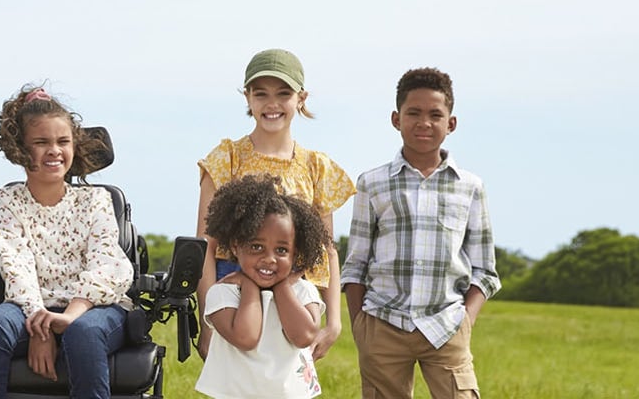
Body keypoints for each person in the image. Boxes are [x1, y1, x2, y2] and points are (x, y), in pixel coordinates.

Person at [341, 67, 500, 399]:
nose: (424, 123)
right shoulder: (372, 183)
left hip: (446, 325)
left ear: (450, 124)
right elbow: (355, 264)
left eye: (435, 115)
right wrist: (361, 328)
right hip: (382, 324)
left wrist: (465, 322)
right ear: (396, 119)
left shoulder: (470, 187)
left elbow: (485, 271)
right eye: (413, 113)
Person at [0, 85, 135, 399]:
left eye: (63, 142)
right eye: (41, 142)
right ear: (20, 149)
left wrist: (69, 317)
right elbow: (16, 267)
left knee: (83, 333)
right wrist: (39, 325)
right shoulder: (7, 202)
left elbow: (105, 265)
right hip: (28, 306)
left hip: (91, 308)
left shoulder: (96, 201)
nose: (54, 151)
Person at [195, 49, 355, 360]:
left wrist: (333, 322)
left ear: (301, 97)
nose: (272, 104)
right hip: (234, 290)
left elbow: (327, 249)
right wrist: (207, 322)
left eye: (284, 93)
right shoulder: (226, 158)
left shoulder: (316, 166)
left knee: (285, 385)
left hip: (295, 290)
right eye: (261, 93)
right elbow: (205, 246)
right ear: (247, 97)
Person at [195, 175, 329, 399]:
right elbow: (246, 337)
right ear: (236, 247)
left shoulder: (303, 291)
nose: (269, 259)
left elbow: (304, 336)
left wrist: (282, 286)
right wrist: (249, 286)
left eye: (282, 251)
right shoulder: (223, 293)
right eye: (257, 247)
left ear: (295, 253)